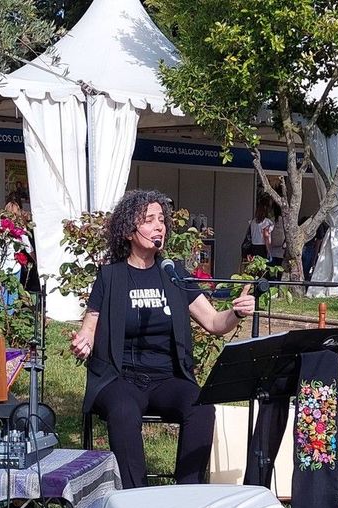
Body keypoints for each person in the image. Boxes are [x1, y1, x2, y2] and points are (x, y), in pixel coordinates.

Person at [70, 190, 256, 488]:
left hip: (167, 377)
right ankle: (137, 497)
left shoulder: (173, 274)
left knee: (201, 406)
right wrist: (83, 341)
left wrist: (236, 312)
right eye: (149, 220)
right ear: (129, 231)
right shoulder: (110, 276)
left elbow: (213, 321)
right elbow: (89, 328)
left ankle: (186, 493)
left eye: (161, 220)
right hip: (120, 378)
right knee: (123, 410)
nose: (159, 227)